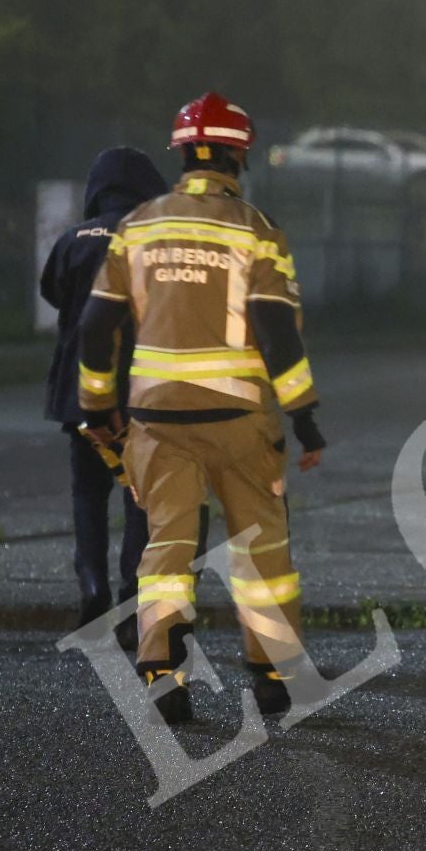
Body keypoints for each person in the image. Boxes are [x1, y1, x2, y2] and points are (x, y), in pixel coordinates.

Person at [76, 92, 328, 725]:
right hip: (240, 421)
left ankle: (163, 675)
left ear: (184, 153)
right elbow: (276, 333)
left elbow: (94, 325)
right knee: (262, 550)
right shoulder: (257, 230)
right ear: (239, 157)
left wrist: (97, 407)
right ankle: (271, 677)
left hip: (156, 422)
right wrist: (304, 415)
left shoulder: (138, 225)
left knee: (166, 550)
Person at [40, 146, 168, 642]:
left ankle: (90, 586)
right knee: (140, 498)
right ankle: (132, 602)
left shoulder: (72, 239)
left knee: (87, 494)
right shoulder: (152, 239)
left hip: (78, 391)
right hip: (138, 390)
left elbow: (52, 292)